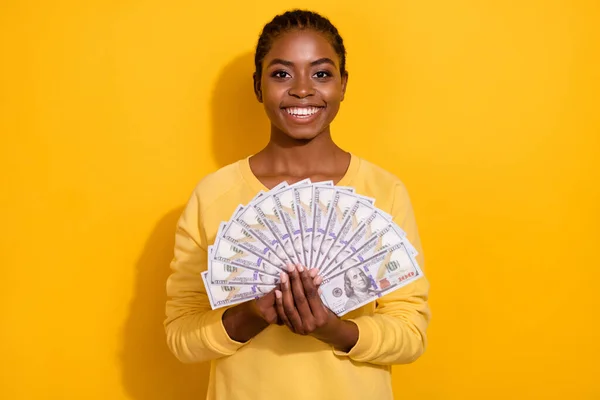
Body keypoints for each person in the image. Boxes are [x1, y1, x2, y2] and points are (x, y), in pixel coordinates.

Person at [164, 9, 430, 400]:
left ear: (342, 85)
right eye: (282, 74)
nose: (302, 89)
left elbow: (410, 332)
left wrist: (334, 328)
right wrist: (250, 316)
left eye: (321, 74)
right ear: (258, 86)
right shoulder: (213, 196)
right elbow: (180, 335)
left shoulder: (383, 190)